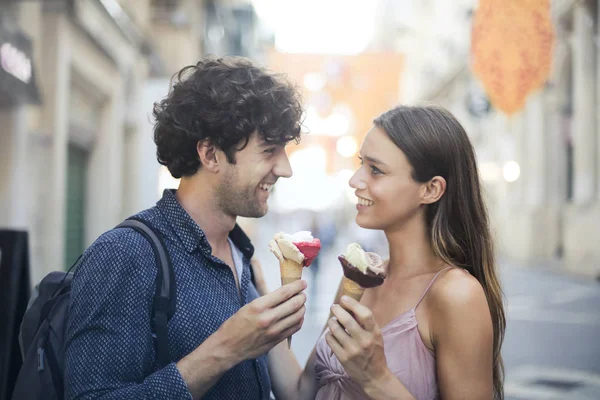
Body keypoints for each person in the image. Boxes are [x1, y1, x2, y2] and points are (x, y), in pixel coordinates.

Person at [64, 57, 309, 399]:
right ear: (210, 154)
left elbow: (295, 391)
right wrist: (225, 349)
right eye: (269, 150)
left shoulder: (244, 257)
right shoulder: (125, 255)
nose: (284, 169)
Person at [312, 105, 506, 399]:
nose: (355, 181)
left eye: (375, 170)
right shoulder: (358, 280)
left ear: (430, 190)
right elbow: (304, 391)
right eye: (361, 163)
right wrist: (260, 312)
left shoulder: (457, 295)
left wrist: (376, 378)